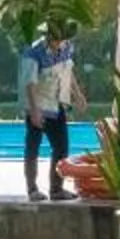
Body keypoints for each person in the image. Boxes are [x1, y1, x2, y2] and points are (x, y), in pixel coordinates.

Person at [20, 23, 78, 201]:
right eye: (56, 39)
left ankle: (56, 189)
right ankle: (32, 190)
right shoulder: (33, 52)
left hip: (56, 104)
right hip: (37, 104)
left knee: (61, 147)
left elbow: (68, 71)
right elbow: (30, 83)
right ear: (48, 36)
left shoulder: (67, 47)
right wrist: (34, 111)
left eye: (62, 38)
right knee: (33, 147)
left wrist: (78, 94)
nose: (60, 42)